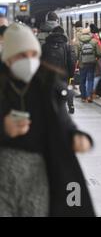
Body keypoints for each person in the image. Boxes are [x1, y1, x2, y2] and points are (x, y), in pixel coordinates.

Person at [0, 23, 95, 217]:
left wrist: (77, 136)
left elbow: (63, 123)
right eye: (21, 55)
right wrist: (4, 128)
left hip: (38, 172)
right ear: (8, 59)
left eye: (33, 55)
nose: (29, 61)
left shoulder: (48, 85)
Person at [41, 26, 77, 114]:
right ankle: (70, 106)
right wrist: (71, 74)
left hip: (48, 74)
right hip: (63, 74)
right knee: (66, 89)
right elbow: (72, 61)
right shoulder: (67, 46)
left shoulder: (45, 46)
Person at [76, 28, 101, 103]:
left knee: (82, 80)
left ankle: (83, 97)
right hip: (91, 63)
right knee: (90, 80)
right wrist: (96, 58)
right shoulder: (94, 41)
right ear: (89, 33)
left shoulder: (78, 42)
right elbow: (99, 53)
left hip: (82, 64)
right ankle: (89, 96)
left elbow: (76, 55)